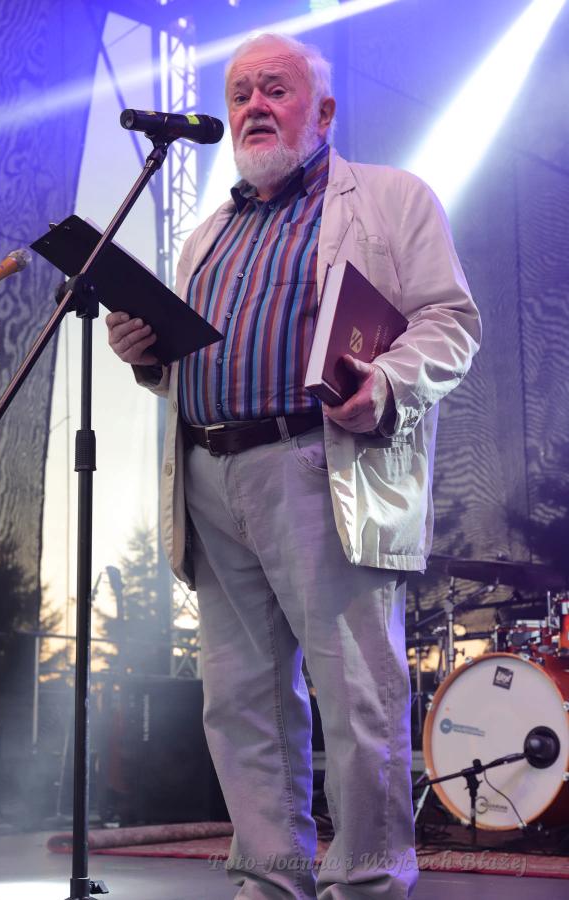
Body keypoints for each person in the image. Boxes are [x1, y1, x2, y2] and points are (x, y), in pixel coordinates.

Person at [106, 32, 481, 899]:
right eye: (240, 94)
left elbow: (452, 323)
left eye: (274, 89)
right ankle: (272, 880)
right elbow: (191, 361)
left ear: (324, 110)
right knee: (242, 701)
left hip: (320, 464)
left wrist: (387, 384)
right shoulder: (207, 236)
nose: (253, 108)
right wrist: (147, 357)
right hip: (210, 472)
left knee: (355, 692)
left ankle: (369, 882)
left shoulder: (391, 199)